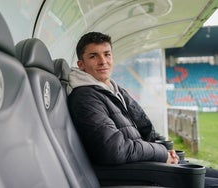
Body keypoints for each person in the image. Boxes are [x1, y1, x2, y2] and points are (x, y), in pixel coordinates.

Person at [67, 31, 218, 187]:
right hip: (137, 173)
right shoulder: (85, 98)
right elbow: (114, 149)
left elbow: (144, 127)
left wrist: (165, 152)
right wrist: (161, 153)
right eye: (93, 56)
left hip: (145, 162)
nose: (103, 61)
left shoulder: (113, 89)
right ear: (81, 65)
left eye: (107, 54)